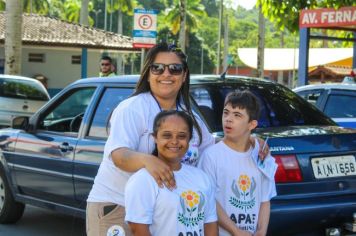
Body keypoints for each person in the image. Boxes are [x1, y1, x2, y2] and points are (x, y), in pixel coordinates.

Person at [86, 42, 268, 236]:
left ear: (183, 76)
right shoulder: (132, 108)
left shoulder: (190, 117)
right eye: (157, 68)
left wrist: (250, 138)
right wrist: (149, 161)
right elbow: (119, 155)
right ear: (148, 74)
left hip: (163, 214)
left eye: (175, 69)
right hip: (118, 206)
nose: (166, 74)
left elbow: (212, 149)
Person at [125, 110, 218, 236]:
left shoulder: (201, 178)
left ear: (189, 139)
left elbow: (210, 224)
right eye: (167, 135)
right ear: (155, 138)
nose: (174, 141)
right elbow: (138, 229)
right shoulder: (143, 180)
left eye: (181, 136)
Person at [199, 90, 277, 236]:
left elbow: (265, 200)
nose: (228, 119)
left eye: (237, 115)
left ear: (252, 124)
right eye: (226, 113)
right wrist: (236, 231)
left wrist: (261, 232)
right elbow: (208, 200)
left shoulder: (262, 156)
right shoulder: (211, 156)